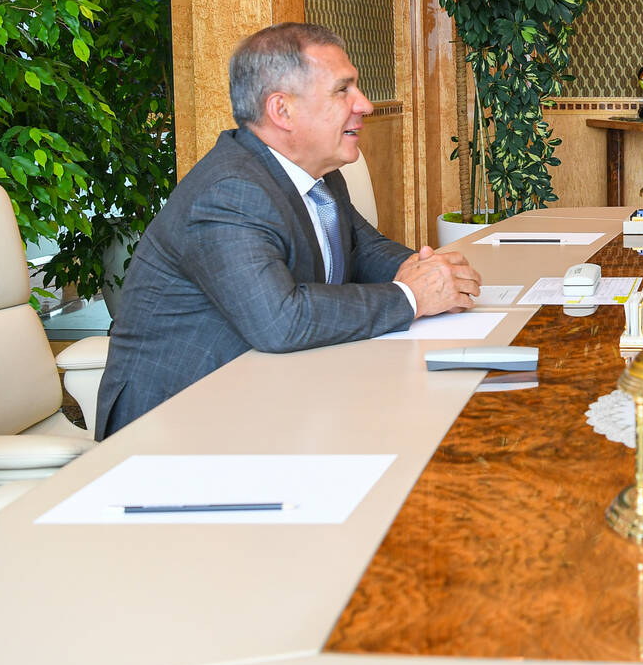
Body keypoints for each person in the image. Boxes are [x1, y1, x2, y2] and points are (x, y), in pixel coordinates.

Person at [95, 23, 481, 439]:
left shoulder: (317, 174)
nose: (365, 105)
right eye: (343, 90)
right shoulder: (229, 192)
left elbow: (364, 250)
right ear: (282, 111)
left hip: (268, 397)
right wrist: (411, 296)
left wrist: (430, 270)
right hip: (174, 426)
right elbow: (281, 320)